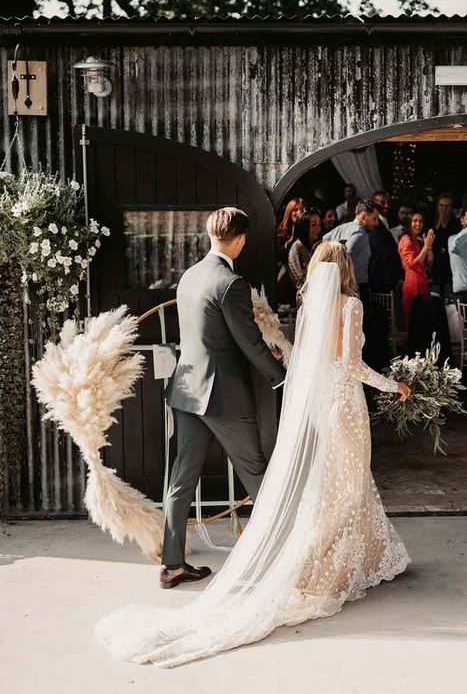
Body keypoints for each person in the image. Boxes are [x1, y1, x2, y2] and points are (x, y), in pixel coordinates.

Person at [96, 242, 411, 667]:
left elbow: (306, 359)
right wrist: (396, 386)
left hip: (304, 402)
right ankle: (310, 563)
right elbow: (351, 365)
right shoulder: (350, 305)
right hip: (343, 404)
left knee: (335, 482)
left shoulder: (306, 306)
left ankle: (359, 553)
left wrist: (286, 371)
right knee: (344, 482)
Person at [152, 207, 287, 589]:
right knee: (257, 474)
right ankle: (276, 560)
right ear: (240, 239)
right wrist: (282, 378)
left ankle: (172, 565)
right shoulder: (231, 284)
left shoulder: (189, 277)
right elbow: (250, 343)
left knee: (182, 479)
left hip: (187, 389)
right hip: (223, 397)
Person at [324, 198, 381, 296]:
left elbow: (324, 240)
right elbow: (347, 255)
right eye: (374, 218)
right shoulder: (360, 233)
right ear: (364, 216)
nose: (376, 223)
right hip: (354, 288)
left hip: (337, 286)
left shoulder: (340, 228)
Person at [398, 211, 434, 324]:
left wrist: (429, 247)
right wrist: (426, 246)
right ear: (409, 223)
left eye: (421, 221)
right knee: (414, 322)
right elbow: (412, 264)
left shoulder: (417, 241)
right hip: (412, 285)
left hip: (422, 283)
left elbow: (429, 263)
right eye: (415, 221)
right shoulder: (406, 240)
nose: (418, 224)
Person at [369, 189, 403, 293]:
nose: (387, 206)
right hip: (381, 279)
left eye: (388, 203)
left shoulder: (384, 221)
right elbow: (382, 252)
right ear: (374, 203)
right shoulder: (374, 224)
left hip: (388, 278)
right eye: (383, 202)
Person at [276, 197, 306, 305]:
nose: (298, 212)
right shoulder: (281, 232)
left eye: (301, 209)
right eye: (295, 209)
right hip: (285, 277)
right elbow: (278, 255)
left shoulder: (306, 231)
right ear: (290, 211)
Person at [430, 193, 461, 295]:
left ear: (451, 208)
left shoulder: (457, 226)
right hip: (436, 273)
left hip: (451, 274)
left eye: (447, 206)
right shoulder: (432, 226)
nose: (444, 209)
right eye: (441, 206)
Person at [287, 210, 323, 291]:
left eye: (319, 224)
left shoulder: (316, 245)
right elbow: (304, 279)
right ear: (304, 227)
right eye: (313, 225)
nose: (318, 228)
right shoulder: (298, 246)